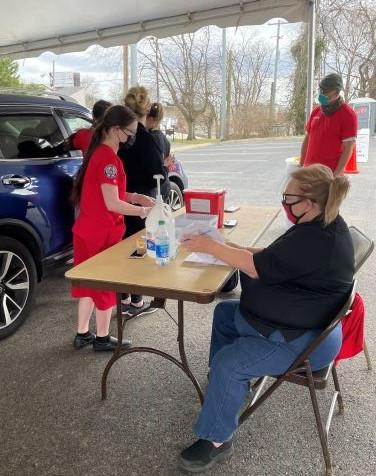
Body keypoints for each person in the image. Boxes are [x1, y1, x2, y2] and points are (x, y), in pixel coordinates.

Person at [180, 164, 354, 473]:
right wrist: (227, 245)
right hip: (304, 325)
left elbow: (255, 266)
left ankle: (216, 440)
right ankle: (224, 394)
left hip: (303, 341)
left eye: (289, 198)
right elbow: (273, 257)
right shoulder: (323, 225)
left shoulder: (315, 238)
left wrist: (211, 246)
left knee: (229, 364)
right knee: (225, 313)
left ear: (310, 202)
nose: (285, 203)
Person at [71, 105, 155, 352]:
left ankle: (82, 333)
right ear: (116, 130)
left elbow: (112, 193)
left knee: (87, 284)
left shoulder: (99, 153)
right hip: (101, 234)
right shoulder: (108, 159)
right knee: (106, 286)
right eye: (130, 132)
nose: (132, 138)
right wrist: (142, 212)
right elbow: (111, 202)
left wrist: (136, 197)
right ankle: (102, 338)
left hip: (87, 231)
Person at [118, 87, 168, 317]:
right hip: (140, 200)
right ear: (146, 109)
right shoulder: (148, 140)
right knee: (137, 249)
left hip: (119, 197)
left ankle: (122, 295)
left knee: (119, 249)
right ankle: (136, 299)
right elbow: (157, 174)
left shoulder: (116, 136)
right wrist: (165, 168)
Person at [300, 73, 357, 176]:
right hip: (309, 171)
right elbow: (308, 138)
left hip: (328, 174)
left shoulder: (348, 114)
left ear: (337, 92)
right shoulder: (316, 111)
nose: (322, 94)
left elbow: (348, 147)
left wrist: (337, 173)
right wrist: (301, 165)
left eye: (326, 91)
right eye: (321, 90)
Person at [146, 102, 173, 201]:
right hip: (164, 186)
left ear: (151, 119)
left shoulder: (149, 139)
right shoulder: (164, 139)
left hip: (154, 190)